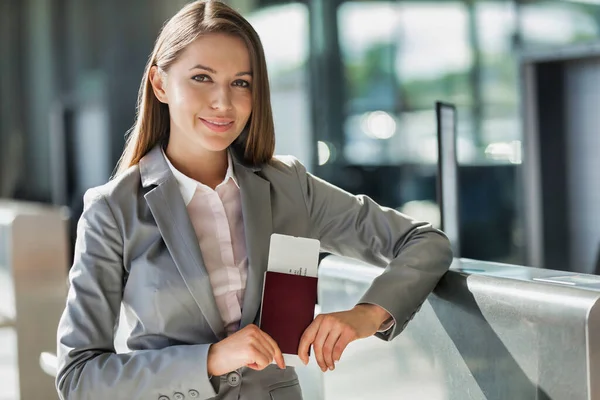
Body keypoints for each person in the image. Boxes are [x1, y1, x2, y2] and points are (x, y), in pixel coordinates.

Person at [55, 1, 453, 399]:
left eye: (241, 83)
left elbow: (425, 242)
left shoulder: (288, 187)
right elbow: (78, 377)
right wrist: (211, 359)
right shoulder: (114, 209)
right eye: (201, 78)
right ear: (160, 84)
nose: (223, 103)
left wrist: (368, 315)